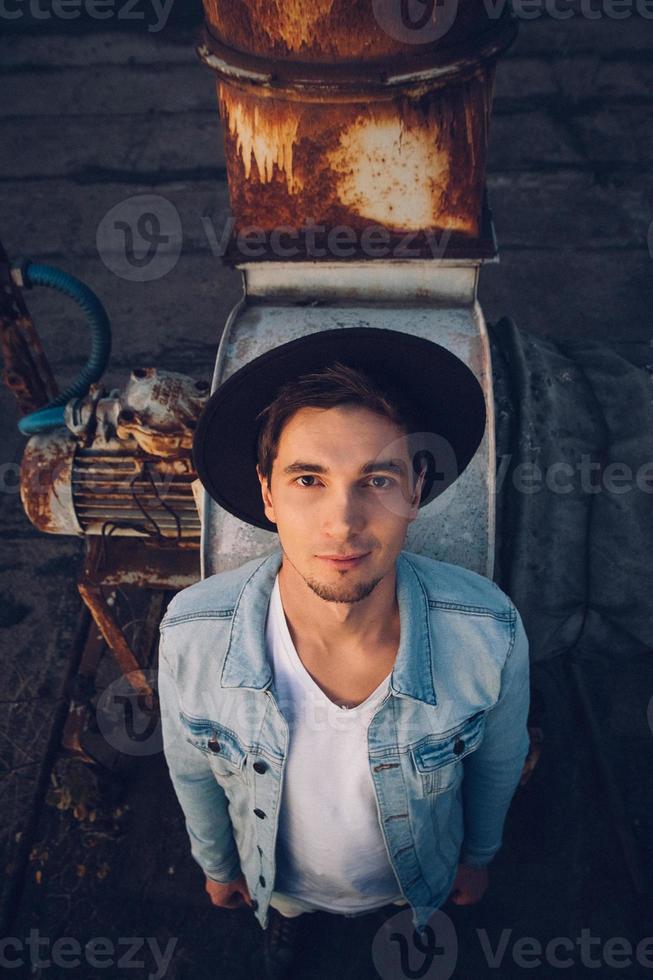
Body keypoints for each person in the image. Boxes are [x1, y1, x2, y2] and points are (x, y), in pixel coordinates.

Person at [158, 328, 531, 980]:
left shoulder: (489, 634)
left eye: (376, 479)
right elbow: (191, 768)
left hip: (414, 876)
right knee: (290, 913)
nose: (342, 521)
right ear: (268, 494)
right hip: (280, 883)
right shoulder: (191, 633)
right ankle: (287, 923)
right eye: (307, 478)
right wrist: (217, 866)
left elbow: (497, 764)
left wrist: (477, 856)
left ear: (415, 490)